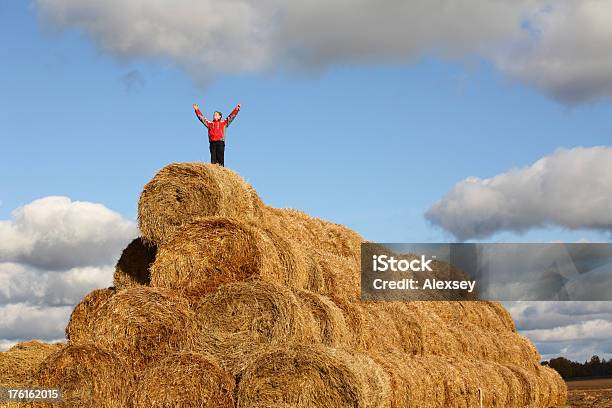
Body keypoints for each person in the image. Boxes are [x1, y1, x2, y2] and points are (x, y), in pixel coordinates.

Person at [193, 102, 241, 166]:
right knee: (213, 159)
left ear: (220, 116)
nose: (214, 115)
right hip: (212, 142)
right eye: (214, 114)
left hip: (220, 142)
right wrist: (197, 110)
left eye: (216, 114)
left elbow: (231, 116)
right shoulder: (210, 123)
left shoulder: (224, 122)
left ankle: (222, 173)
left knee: (220, 158)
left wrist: (236, 109)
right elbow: (202, 118)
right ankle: (213, 172)